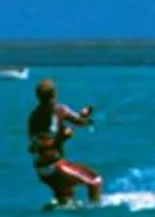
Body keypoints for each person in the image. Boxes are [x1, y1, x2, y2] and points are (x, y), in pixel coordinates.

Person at [28, 78, 102, 206]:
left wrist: (85, 115)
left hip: (45, 170)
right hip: (52, 167)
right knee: (94, 180)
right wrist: (61, 138)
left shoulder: (58, 111)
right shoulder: (37, 119)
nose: (50, 100)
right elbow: (39, 148)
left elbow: (80, 121)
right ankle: (96, 212)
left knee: (67, 202)